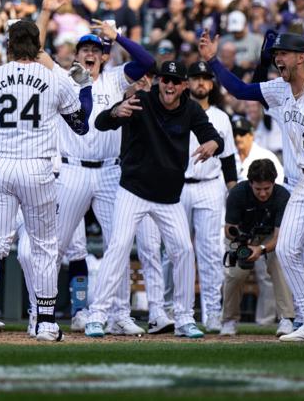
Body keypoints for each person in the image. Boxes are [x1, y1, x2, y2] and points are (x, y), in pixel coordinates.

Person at [199, 29, 304, 343]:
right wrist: (213, 61)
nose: (277, 58)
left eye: (283, 53)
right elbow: (240, 90)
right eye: (276, 54)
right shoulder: (280, 88)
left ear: (301, 57)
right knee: (287, 250)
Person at [0, 20, 93, 342]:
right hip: (37, 168)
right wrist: (85, 88)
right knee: (43, 247)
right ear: (37, 45)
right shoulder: (53, 78)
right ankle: (45, 323)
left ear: (10, 45)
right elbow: (81, 125)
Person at [33, 0, 159, 335]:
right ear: (76, 55)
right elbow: (34, 50)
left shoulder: (117, 78)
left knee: (118, 242)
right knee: (54, 245)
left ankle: (118, 312)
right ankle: (39, 314)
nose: (90, 54)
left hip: (109, 171)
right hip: (71, 169)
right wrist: (46, 13)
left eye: (96, 50)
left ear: (104, 57)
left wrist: (116, 37)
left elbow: (148, 64)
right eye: (85, 49)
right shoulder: (61, 76)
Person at [85, 60, 224, 339]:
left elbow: (211, 135)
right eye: (165, 80)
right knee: (118, 246)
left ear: (184, 85)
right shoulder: (141, 101)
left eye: (175, 81)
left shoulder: (191, 109)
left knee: (184, 251)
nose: (169, 85)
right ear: (159, 81)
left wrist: (213, 143)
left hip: (169, 196)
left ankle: (184, 318)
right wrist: (115, 111)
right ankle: (97, 315)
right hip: (133, 190)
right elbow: (100, 123)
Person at [166, 60, 237, 332]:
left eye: (205, 78)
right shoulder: (176, 110)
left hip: (209, 184)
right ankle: (170, 308)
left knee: (209, 253)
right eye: (195, 77)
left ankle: (212, 311)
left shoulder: (221, 117)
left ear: (211, 83)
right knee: (173, 250)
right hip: (177, 184)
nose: (200, 82)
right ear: (187, 82)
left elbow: (229, 160)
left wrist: (233, 194)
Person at [221, 158, 294, 337]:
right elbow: (228, 229)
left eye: (267, 189)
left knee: (279, 264)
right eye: (258, 189)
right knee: (234, 274)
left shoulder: (283, 196)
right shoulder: (237, 193)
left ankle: (286, 318)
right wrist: (241, 241)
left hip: (270, 237)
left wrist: (260, 249)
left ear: (274, 183)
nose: (262, 194)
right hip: (243, 237)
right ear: (250, 183)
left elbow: (279, 237)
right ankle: (229, 320)